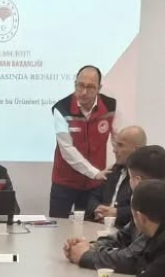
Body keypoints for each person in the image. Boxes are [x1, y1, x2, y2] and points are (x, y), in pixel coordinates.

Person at [63, 145, 165, 273]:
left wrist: (85, 256)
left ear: (137, 181)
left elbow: (135, 258)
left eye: (129, 178)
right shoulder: (153, 195)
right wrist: (91, 246)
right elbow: (125, 236)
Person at [49, 65, 123, 219]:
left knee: (91, 226)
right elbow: (67, 149)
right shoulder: (61, 109)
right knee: (58, 225)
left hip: (94, 185)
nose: (83, 92)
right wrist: (94, 173)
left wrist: (118, 168)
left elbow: (118, 138)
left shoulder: (110, 106)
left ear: (99, 88)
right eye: (80, 85)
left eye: (90, 87)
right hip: (65, 182)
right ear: (75, 84)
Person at [86, 125, 147, 226]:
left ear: (136, 150)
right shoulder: (113, 170)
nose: (114, 150)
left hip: (123, 231)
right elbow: (94, 196)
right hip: (99, 226)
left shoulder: (146, 177)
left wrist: (117, 213)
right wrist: (97, 209)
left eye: (120, 145)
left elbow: (145, 210)